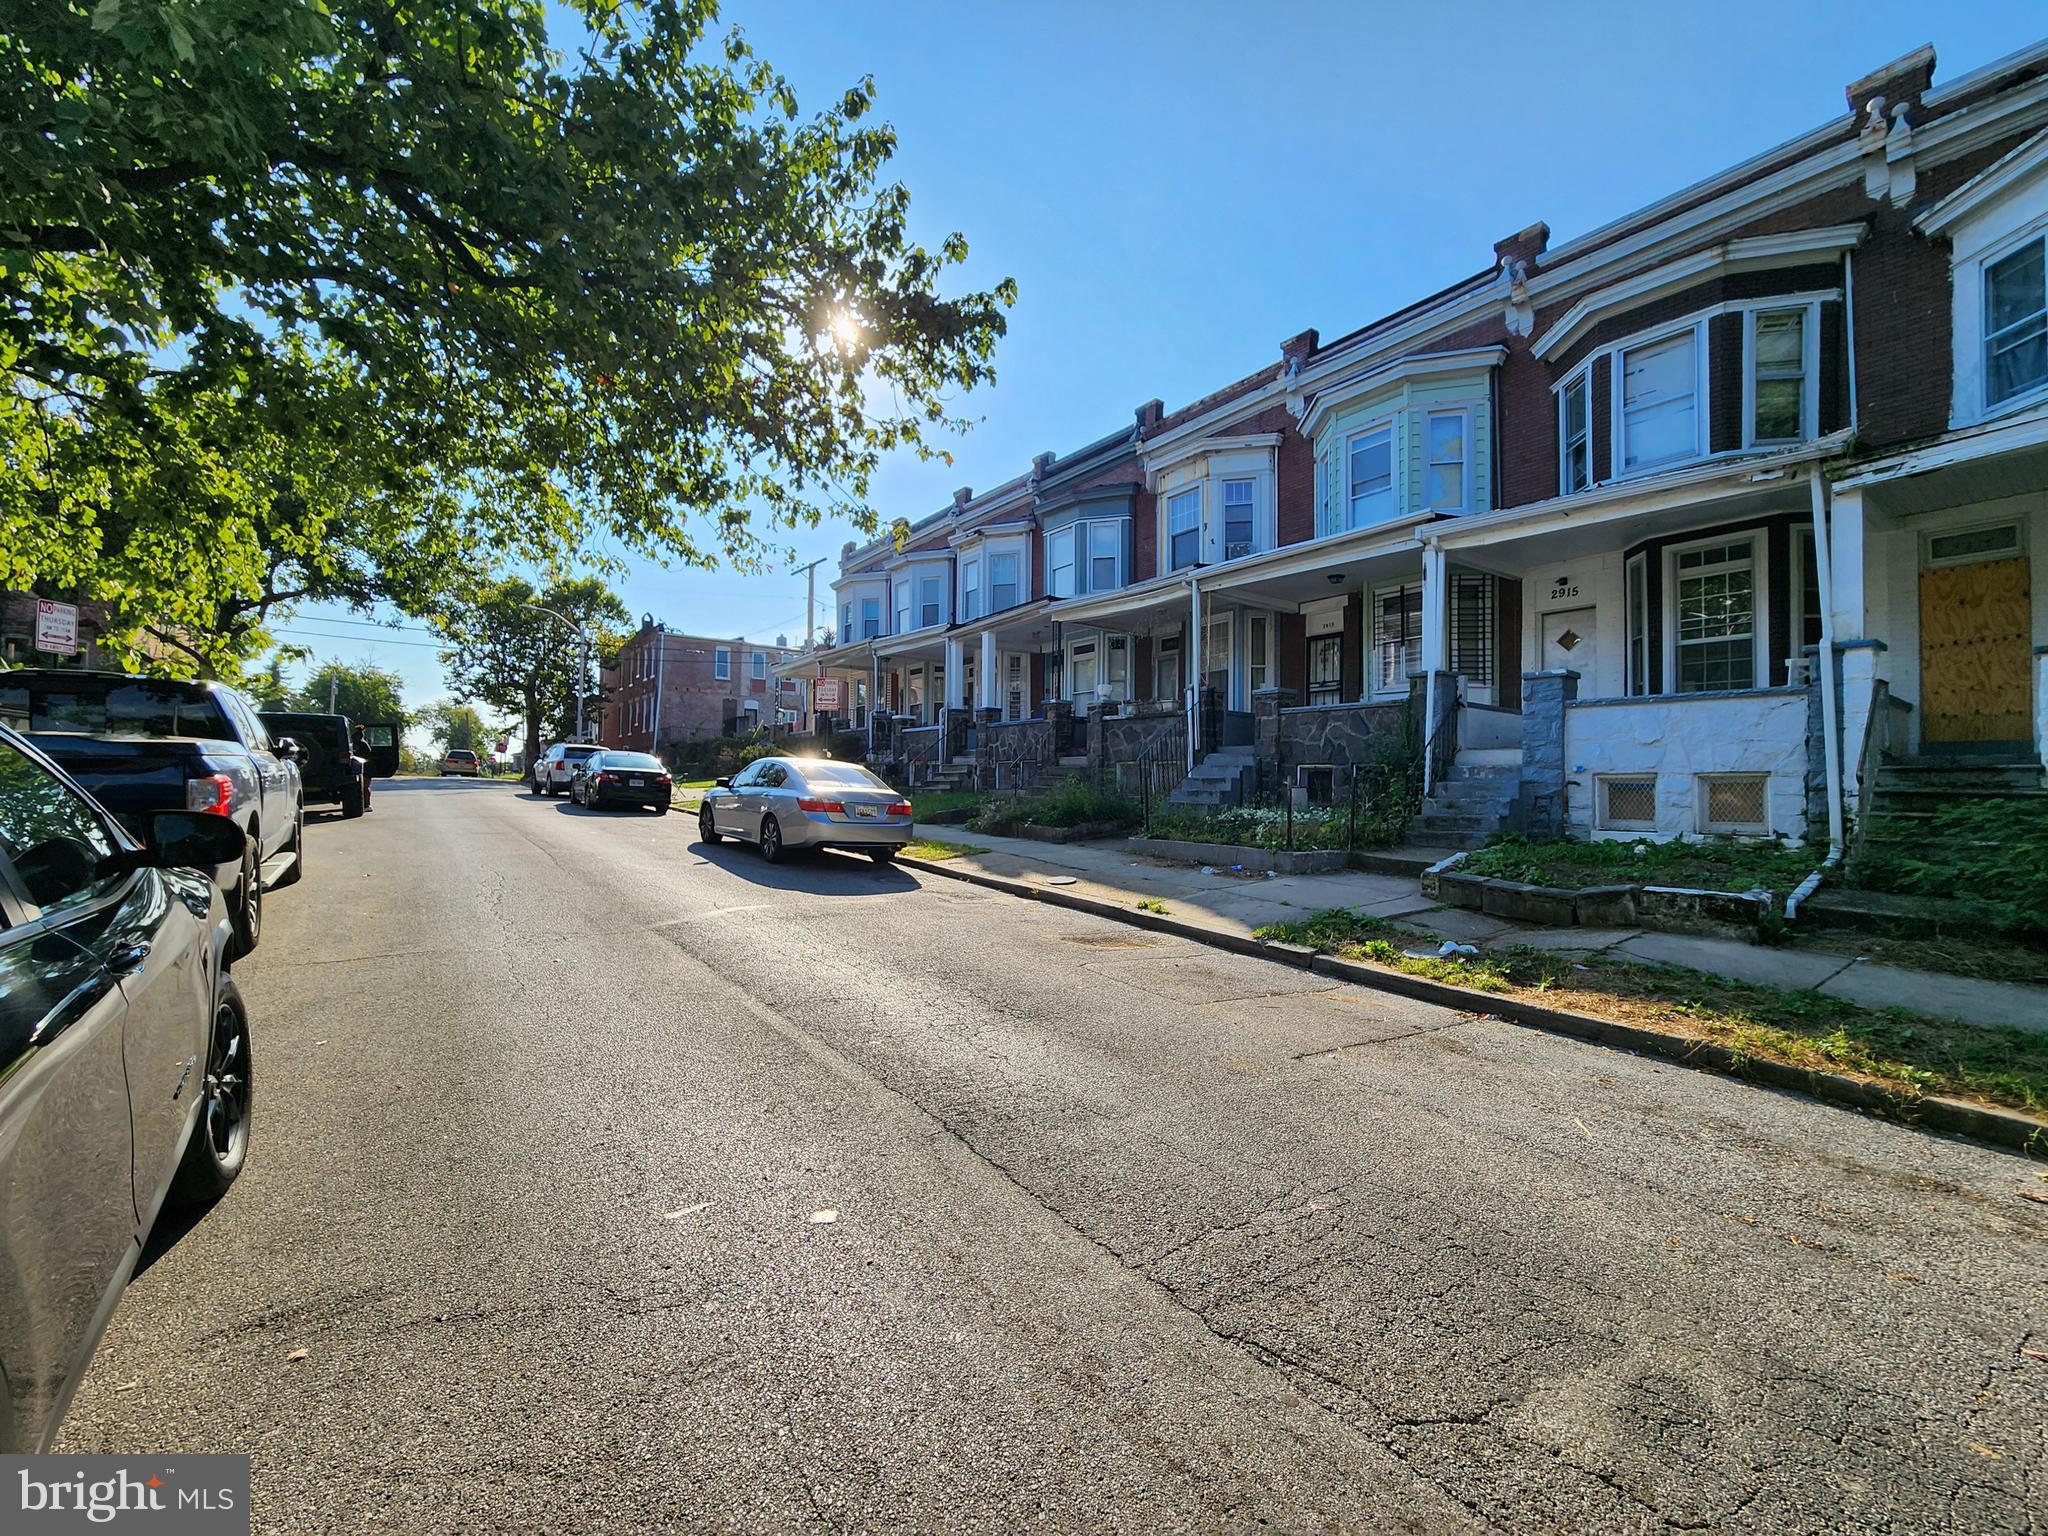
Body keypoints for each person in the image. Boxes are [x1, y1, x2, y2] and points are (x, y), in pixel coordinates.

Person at [350, 723, 374, 813]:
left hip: (366, 768)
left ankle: (367, 804)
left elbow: (362, 757)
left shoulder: (362, 745)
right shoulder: (361, 744)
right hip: (364, 767)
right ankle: (365, 804)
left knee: (365, 787)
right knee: (363, 787)